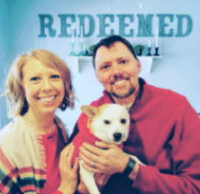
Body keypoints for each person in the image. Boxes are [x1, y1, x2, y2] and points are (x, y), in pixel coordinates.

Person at [70, 35, 200, 194]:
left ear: (138, 65)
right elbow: (69, 181)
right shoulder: (88, 119)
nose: (116, 71)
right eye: (105, 67)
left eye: (123, 62)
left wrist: (129, 167)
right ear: (97, 77)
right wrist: (85, 189)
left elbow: (194, 187)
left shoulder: (177, 108)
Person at [0, 49, 79, 194]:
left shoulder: (61, 131)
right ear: (21, 88)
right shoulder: (6, 144)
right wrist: (66, 189)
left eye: (55, 77)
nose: (47, 87)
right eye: (35, 79)